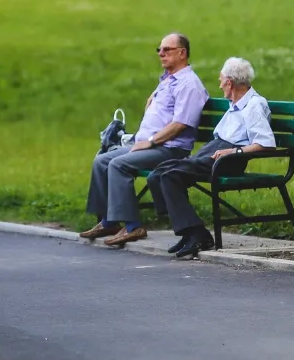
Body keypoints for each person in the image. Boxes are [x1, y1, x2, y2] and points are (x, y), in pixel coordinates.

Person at [80, 33, 209, 246]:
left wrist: (150, 142)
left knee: (118, 165)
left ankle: (133, 226)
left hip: (169, 149)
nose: (161, 53)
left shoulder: (189, 84)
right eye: (159, 49)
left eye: (167, 49)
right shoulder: (168, 81)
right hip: (150, 144)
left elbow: (181, 124)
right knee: (101, 160)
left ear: (182, 53)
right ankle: (109, 220)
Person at [146, 57, 276, 258]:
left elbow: (265, 143)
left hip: (228, 160)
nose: (219, 83)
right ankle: (188, 231)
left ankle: (196, 233)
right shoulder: (235, 104)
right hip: (215, 152)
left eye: (221, 79)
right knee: (158, 173)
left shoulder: (254, 105)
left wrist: (233, 152)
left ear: (229, 83)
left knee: (170, 176)